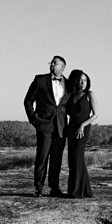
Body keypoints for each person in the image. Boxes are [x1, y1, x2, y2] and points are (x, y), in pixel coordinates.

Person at [23, 56, 70, 197]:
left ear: (62, 67)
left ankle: (54, 188)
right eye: (51, 62)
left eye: (55, 63)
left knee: (57, 159)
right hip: (44, 125)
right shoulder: (40, 80)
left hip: (61, 127)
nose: (51, 65)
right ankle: (38, 187)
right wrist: (33, 119)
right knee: (42, 157)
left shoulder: (68, 84)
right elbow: (28, 100)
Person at [65, 70, 99, 198]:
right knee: (73, 158)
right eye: (80, 80)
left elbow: (95, 114)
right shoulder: (70, 96)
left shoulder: (89, 94)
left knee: (77, 156)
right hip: (71, 128)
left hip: (83, 128)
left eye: (84, 80)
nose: (82, 83)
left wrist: (82, 125)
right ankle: (85, 190)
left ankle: (76, 192)